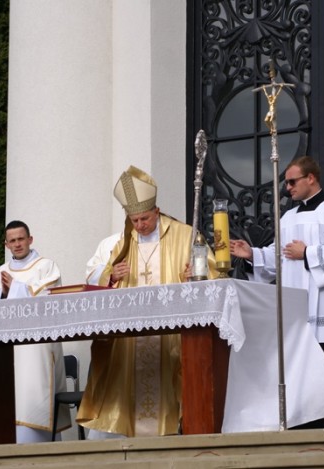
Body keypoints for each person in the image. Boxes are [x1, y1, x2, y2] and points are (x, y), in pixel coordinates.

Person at [229, 156, 324, 428]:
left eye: (292, 181)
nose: (288, 188)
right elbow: (281, 258)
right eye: (286, 182)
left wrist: (307, 253)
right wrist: (252, 253)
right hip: (299, 314)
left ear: (311, 178)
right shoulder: (288, 218)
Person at [76, 165, 217, 438]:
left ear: (156, 211)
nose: (139, 226)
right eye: (134, 220)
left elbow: (210, 273)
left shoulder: (184, 234)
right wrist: (111, 275)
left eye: (144, 219)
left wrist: (196, 275)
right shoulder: (124, 242)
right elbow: (103, 281)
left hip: (170, 336)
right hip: (133, 339)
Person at [0, 220, 69, 443]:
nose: (17, 244)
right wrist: (3, 293)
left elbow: (50, 294)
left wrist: (15, 289)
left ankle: (39, 440)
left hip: (37, 346)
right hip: (11, 347)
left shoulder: (46, 266)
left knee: (35, 392)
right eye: (12, 241)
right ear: (6, 244)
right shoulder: (2, 271)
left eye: (21, 239)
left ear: (30, 239)